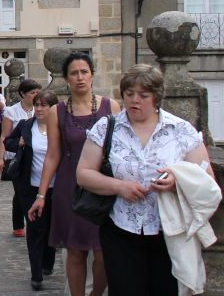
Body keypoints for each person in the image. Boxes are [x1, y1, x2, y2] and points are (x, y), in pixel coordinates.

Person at [77, 64, 216, 295]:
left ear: (157, 97)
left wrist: (176, 180)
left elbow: (206, 177)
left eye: (143, 95)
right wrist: (118, 186)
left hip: (169, 232)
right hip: (121, 230)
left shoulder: (180, 130)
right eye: (129, 94)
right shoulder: (107, 127)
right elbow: (83, 173)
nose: (135, 100)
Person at [28, 52, 120, 296]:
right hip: (70, 186)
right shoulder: (56, 112)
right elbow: (52, 155)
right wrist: (41, 195)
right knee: (75, 250)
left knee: (103, 252)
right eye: (74, 73)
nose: (80, 78)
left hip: (102, 186)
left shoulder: (111, 107)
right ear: (66, 78)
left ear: (92, 75)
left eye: (84, 72)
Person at [5, 90, 59, 291]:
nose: (39, 109)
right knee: (35, 228)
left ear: (53, 108)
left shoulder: (60, 128)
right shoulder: (26, 126)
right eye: (37, 105)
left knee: (50, 227)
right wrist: (18, 142)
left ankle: (48, 263)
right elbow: (7, 141)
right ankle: (36, 273)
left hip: (56, 187)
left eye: (44, 105)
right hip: (29, 185)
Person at [0, 79, 42, 237]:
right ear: (23, 94)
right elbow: (5, 136)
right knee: (21, 191)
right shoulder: (12, 111)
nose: (36, 96)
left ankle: (34, 224)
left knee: (32, 191)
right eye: (33, 93)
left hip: (36, 158)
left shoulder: (43, 109)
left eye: (38, 92)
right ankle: (20, 224)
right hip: (17, 158)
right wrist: (1, 158)